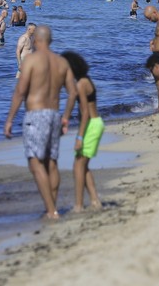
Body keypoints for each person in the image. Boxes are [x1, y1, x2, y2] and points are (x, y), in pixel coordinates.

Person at [4, 25, 77, 220]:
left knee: (35, 163)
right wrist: (66, 117)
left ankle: (51, 210)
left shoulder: (31, 60)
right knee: (51, 162)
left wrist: (10, 119)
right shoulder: (61, 62)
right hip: (54, 115)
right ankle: (52, 207)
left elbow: (20, 91)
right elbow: (73, 93)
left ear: (36, 40)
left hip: (35, 116)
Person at [61, 51, 104, 213]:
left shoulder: (81, 84)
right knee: (81, 166)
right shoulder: (84, 80)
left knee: (78, 166)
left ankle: (78, 205)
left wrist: (79, 136)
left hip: (91, 125)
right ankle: (95, 201)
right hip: (93, 124)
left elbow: (85, 112)